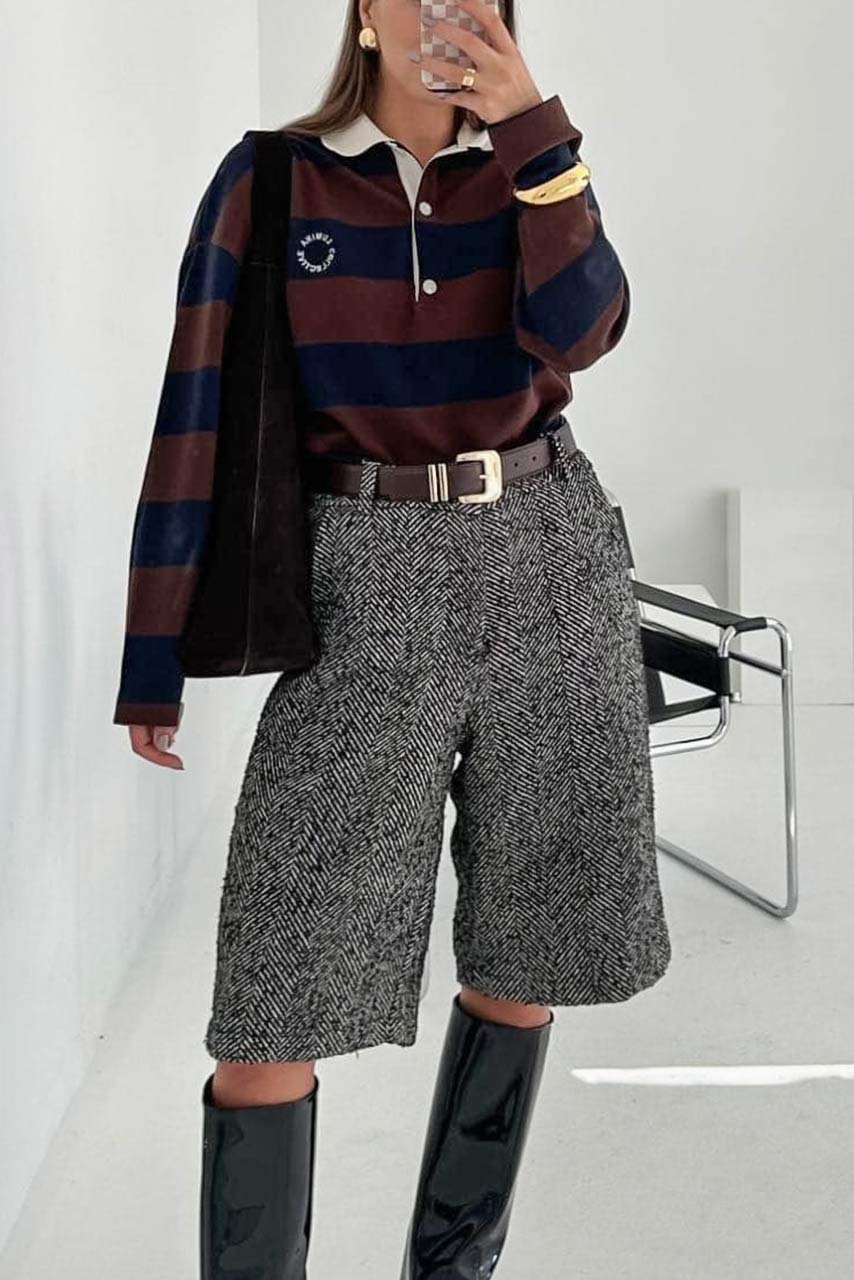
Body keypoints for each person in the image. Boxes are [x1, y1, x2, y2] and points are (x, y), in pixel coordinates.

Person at [115, 1, 672, 1276]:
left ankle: (451, 1265)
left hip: (546, 553)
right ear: (365, 13)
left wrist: (536, 134)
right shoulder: (273, 178)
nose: (445, 13)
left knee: (529, 947)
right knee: (272, 995)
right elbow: (195, 406)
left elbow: (586, 332)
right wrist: (153, 649)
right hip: (360, 575)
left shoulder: (529, 167)